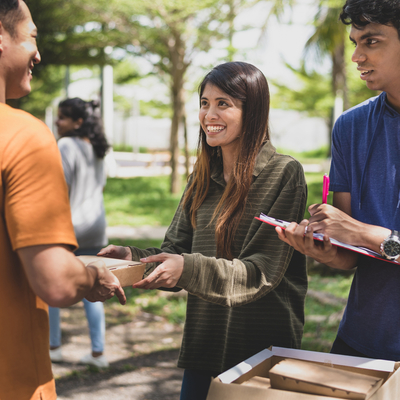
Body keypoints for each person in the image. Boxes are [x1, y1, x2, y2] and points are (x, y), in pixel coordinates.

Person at [99, 61, 308, 400]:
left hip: (261, 353)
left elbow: (261, 273)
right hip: (203, 347)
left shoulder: (283, 173)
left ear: (252, 111)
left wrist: (187, 268)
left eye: (223, 103)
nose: (209, 113)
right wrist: (131, 259)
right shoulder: (201, 178)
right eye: (204, 103)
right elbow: (176, 252)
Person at [0, 1, 126, 399]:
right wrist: (89, 277)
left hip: (66, 221)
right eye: (32, 36)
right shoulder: (24, 135)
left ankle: (59, 341)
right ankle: (99, 349)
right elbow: (55, 280)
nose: (38, 53)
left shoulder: (64, 145)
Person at [276, 0, 400, 362]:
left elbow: (362, 235)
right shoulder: (350, 127)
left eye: (371, 42)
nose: (357, 56)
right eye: (354, 43)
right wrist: (326, 249)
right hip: (360, 343)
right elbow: (351, 257)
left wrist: (365, 233)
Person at [49, 98, 110, 368]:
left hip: (70, 227)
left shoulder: (64, 145)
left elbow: (60, 189)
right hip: (97, 226)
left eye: (61, 117)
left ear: (77, 122)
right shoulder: (97, 147)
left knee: (49, 286)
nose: (56, 122)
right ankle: (98, 354)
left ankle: (53, 347)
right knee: (92, 287)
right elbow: (102, 186)